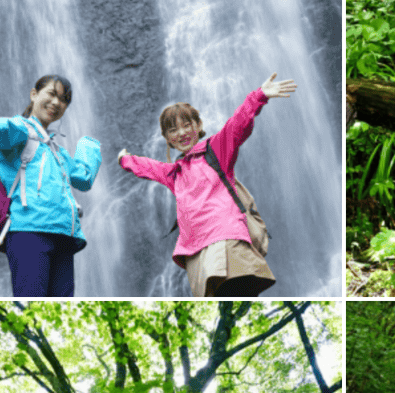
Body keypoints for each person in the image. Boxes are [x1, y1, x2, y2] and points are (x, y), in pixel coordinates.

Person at [117, 73, 295, 297]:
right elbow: (149, 167)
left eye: (187, 125)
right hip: (196, 249)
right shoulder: (174, 174)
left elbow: (237, 126)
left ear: (199, 125)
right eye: (173, 130)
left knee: (236, 288)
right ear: (167, 138)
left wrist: (258, 96)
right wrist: (125, 160)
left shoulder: (216, 150)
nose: (182, 133)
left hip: (225, 236)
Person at [0, 75, 102, 297]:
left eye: (64, 99)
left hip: (64, 235)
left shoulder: (58, 152)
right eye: (52, 94)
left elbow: (83, 179)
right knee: (31, 303)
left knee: (60, 306)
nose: (57, 103)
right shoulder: (20, 131)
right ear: (34, 94)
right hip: (29, 232)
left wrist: (89, 146)